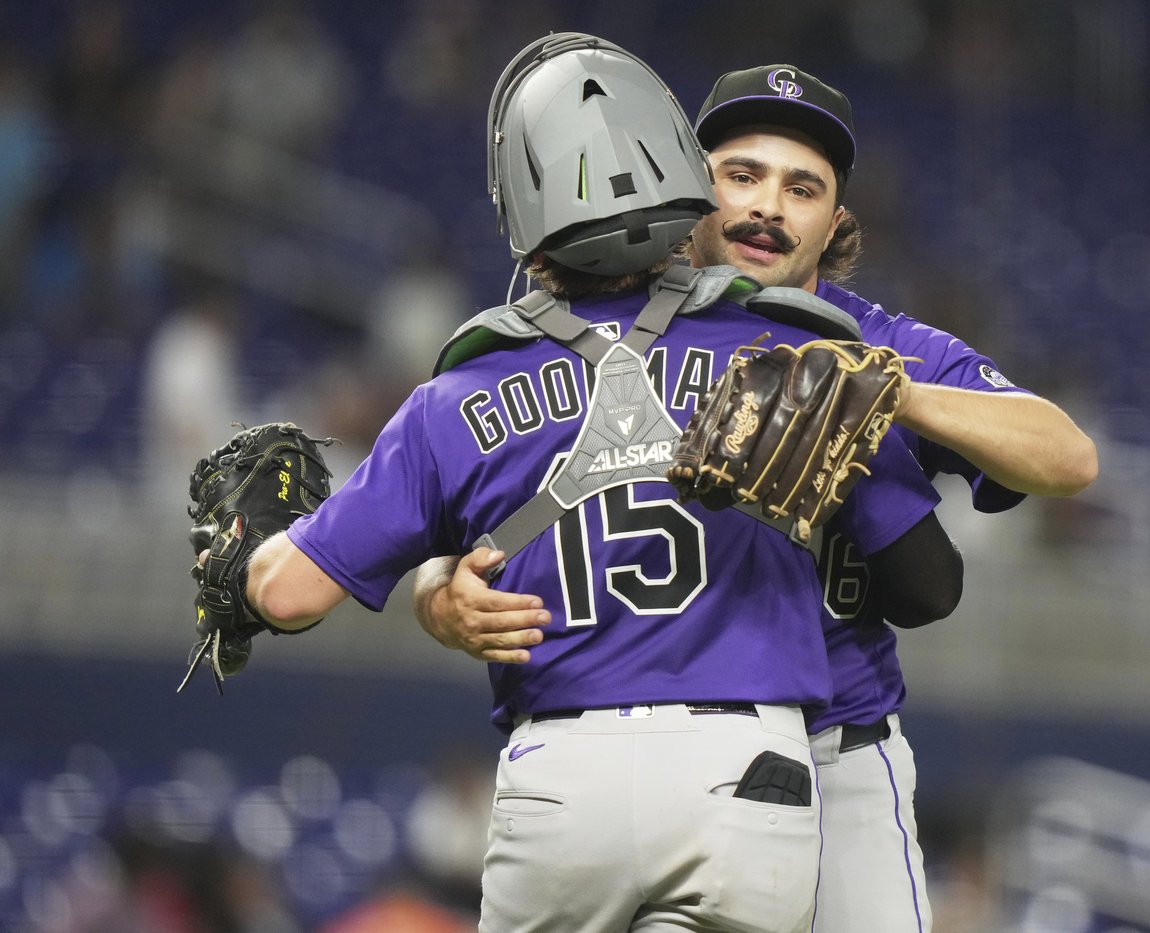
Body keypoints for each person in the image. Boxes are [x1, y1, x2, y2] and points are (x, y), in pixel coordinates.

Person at [217, 35, 961, 933]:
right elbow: (925, 580)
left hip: (560, 779)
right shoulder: (792, 356)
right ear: (685, 184)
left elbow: (288, 595)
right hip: (747, 773)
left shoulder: (456, 391)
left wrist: (250, 552)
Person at [414, 62, 1099, 933]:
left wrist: (877, 387)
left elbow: (1068, 456)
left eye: (801, 187)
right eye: (741, 175)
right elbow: (445, 509)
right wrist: (438, 592)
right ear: (685, 183)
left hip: (839, 750)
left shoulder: (881, 342)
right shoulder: (595, 325)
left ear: (835, 220)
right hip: (646, 752)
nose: (768, 207)